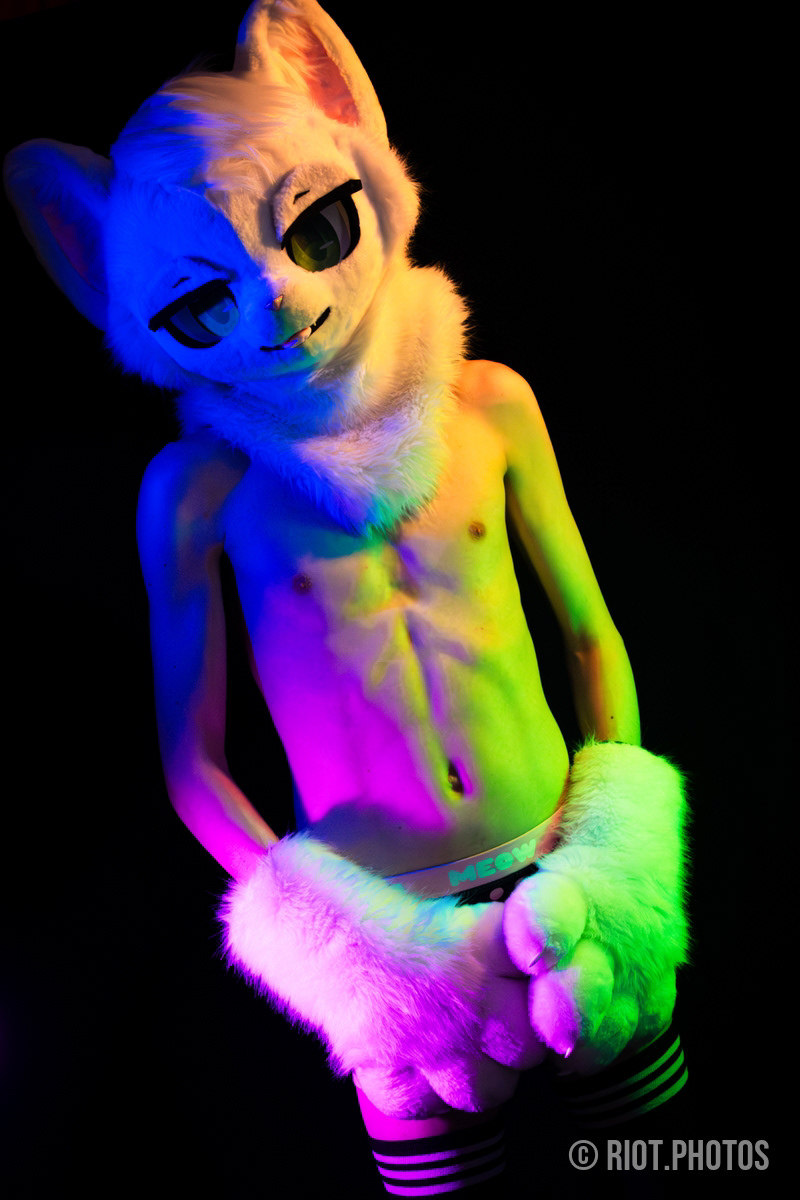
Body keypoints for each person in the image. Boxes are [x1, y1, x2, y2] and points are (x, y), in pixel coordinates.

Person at [4, 2, 688, 1192]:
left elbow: (588, 631)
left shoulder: (488, 405)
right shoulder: (197, 491)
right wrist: (338, 949)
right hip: (393, 955)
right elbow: (190, 762)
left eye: (311, 228)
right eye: (201, 299)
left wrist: (615, 846)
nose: (274, 302)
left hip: (573, 893)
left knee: (662, 1159)